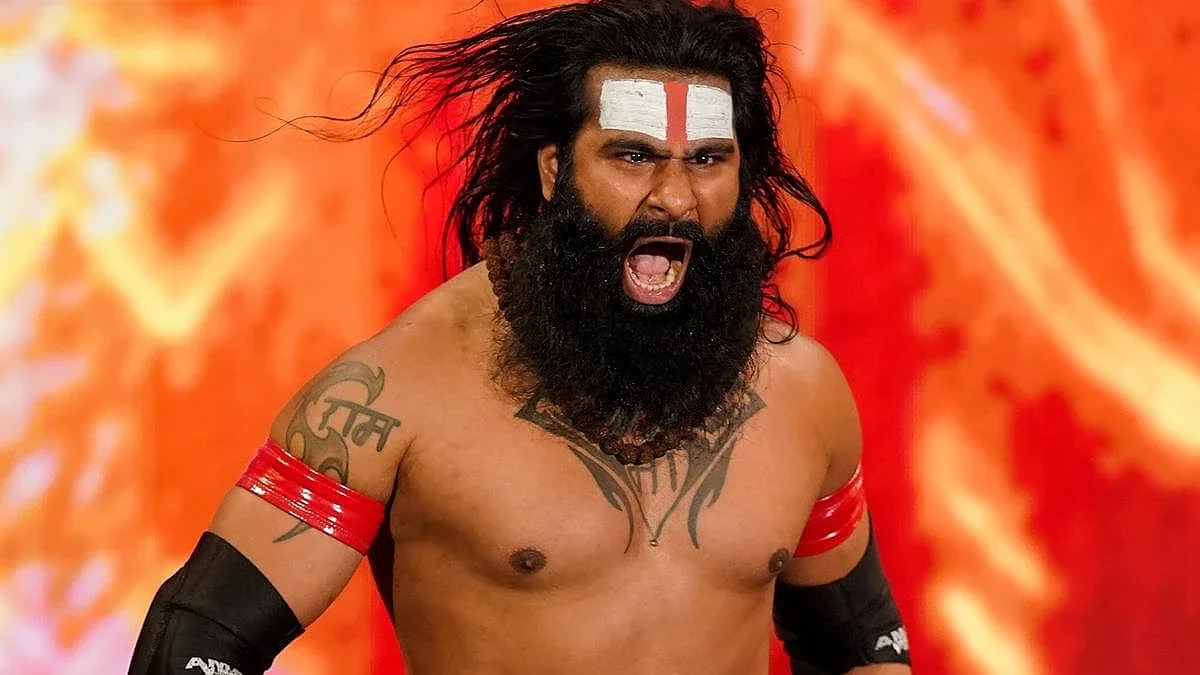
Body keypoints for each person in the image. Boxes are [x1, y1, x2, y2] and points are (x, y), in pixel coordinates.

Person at [128, 1, 911, 674]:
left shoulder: (800, 391)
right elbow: (193, 642)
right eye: (633, 156)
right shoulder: (393, 394)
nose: (675, 197)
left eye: (708, 159)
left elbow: (859, 646)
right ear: (553, 170)